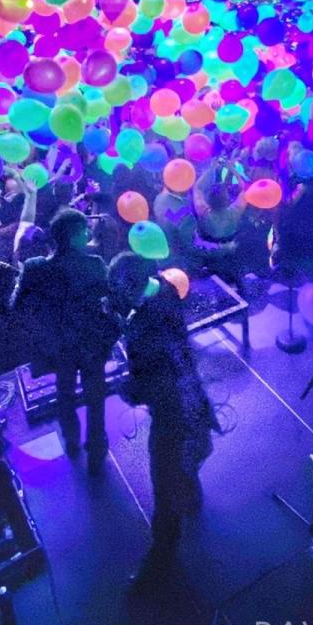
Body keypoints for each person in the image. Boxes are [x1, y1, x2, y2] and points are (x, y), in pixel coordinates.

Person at [110, 252, 217, 592]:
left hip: (172, 413)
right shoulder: (168, 289)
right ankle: (193, 497)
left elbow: (145, 385)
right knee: (187, 464)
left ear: (130, 286)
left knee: (164, 484)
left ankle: (161, 561)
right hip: (193, 399)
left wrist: (129, 390)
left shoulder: (142, 330)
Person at [10, 209, 114, 473]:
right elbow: (109, 301)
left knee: (64, 392)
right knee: (95, 395)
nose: (88, 234)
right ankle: (96, 449)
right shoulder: (94, 264)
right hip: (91, 342)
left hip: (57, 345)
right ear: (73, 235)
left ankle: (71, 441)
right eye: (83, 231)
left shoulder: (35, 268)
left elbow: (16, 305)